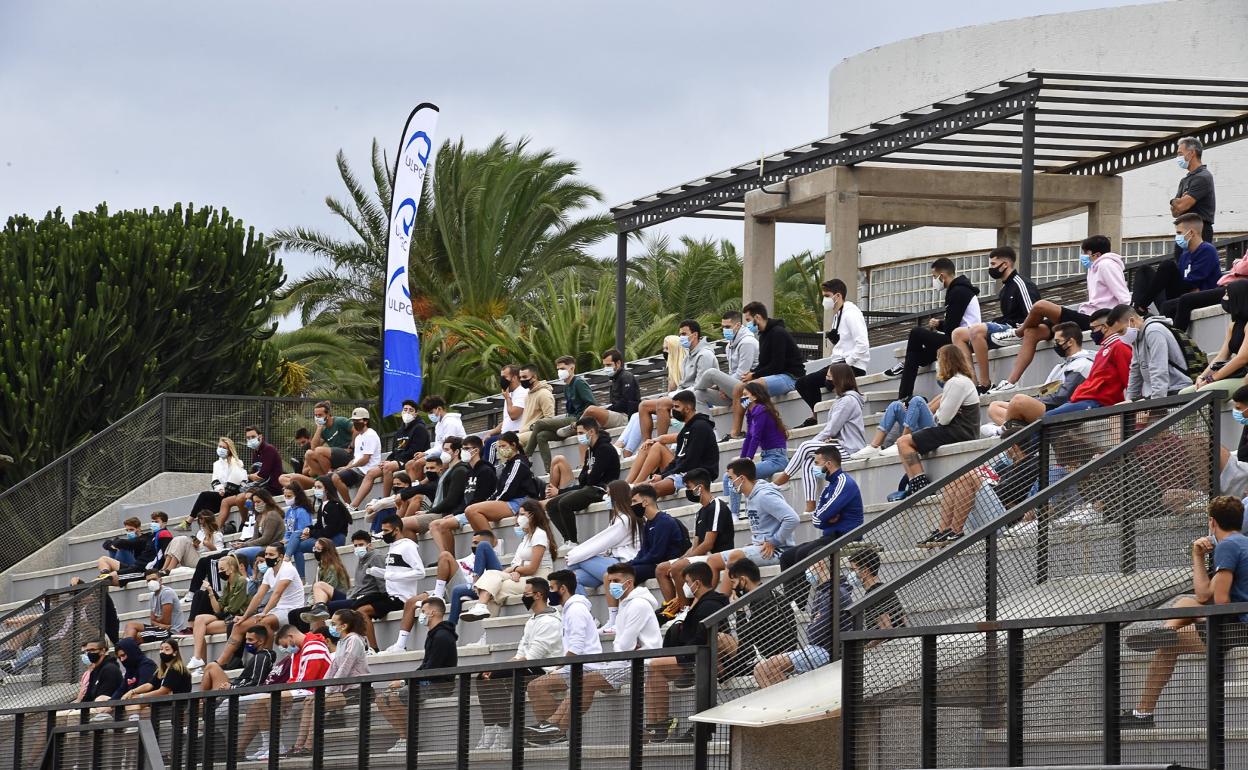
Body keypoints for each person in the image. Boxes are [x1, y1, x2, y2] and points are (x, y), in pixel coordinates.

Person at [1122, 495, 1246, 728]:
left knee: (1174, 633)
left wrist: (1201, 614)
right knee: (1185, 603)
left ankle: (1143, 714)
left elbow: (1220, 602)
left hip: (1239, 628)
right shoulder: (1241, 543)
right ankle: (1166, 631)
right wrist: (1197, 556)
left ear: (1212, 522)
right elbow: (1202, 596)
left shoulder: (1228, 546)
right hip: (1237, 622)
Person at [524, 566, 660, 745]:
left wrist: (561, 666)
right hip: (622, 661)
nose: (611, 586)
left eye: (616, 581)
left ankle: (553, 727)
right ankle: (552, 729)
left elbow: (622, 645)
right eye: (609, 581)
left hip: (635, 662)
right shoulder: (624, 604)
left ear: (629, 582)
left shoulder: (636, 604)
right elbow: (623, 644)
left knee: (581, 682)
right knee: (540, 685)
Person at [990, 236, 1129, 392]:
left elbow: (1124, 296)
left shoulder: (1106, 265)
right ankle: (1010, 382)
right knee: (1032, 332)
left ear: (1094, 254)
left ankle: (1017, 332)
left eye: (1085, 253)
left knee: (1041, 306)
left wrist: (1119, 320)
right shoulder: (1094, 268)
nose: (1083, 257)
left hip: (1094, 319)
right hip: (1085, 314)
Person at [644, 561, 739, 742]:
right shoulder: (699, 603)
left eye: (687, 582)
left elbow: (702, 637)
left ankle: (661, 724)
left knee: (655, 665)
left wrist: (681, 653)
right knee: (653, 668)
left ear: (697, 583)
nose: (685, 586)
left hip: (701, 657)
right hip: (692, 654)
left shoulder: (710, 604)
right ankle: (655, 724)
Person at [473, 576, 563, 750]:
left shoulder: (550, 621)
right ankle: (491, 727)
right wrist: (495, 668)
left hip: (544, 670)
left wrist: (500, 670)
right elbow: (520, 653)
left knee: (497, 676)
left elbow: (532, 657)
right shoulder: (532, 620)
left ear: (538, 595)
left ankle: (504, 729)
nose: (523, 597)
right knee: (482, 677)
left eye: (526, 593)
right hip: (527, 665)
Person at [893, 345, 982, 503]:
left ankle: (921, 485)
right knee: (902, 444)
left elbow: (943, 419)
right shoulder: (959, 381)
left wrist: (939, 414)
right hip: (957, 429)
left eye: (939, 360)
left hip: (958, 432)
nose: (937, 364)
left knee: (903, 442)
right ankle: (914, 482)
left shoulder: (957, 382)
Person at [774, 362, 867, 514]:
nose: (827, 379)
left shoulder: (848, 401)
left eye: (829, 376)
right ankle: (810, 505)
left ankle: (783, 479)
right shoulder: (841, 400)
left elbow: (831, 429)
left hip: (850, 448)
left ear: (838, 378)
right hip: (840, 445)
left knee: (805, 447)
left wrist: (814, 443)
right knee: (808, 460)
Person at [884, 258, 981, 401]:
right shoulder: (959, 289)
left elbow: (951, 329)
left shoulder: (959, 291)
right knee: (916, 356)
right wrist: (940, 324)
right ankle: (905, 394)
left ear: (942, 276)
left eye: (934, 277)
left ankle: (904, 394)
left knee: (916, 333)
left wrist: (939, 324)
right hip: (956, 337)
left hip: (961, 340)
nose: (934, 281)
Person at [235, 624, 332, 760]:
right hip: (303, 689)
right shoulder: (298, 651)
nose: (286, 649)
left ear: (290, 637)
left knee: (269, 698)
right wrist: (287, 694)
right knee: (256, 706)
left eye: (285, 645)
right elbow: (295, 680)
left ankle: (277, 747)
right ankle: (257, 748)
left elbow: (307, 680)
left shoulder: (313, 646)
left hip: (314, 690)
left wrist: (286, 695)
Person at [377, 598, 459, 755]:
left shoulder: (442, 636)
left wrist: (403, 682)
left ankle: (407, 739)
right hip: (427, 682)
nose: (421, 615)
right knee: (381, 699)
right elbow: (425, 666)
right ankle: (404, 737)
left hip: (439, 685)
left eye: (423, 611)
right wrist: (405, 680)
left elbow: (431, 669)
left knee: (395, 696)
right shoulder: (434, 634)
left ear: (433, 612)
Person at [984, 321, 1095, 434]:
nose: (1055, 346)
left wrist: (1034, 402)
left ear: (1070, 342)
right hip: (1047, 405)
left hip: (1059, 410)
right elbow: (1043, 391)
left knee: (1018, 401)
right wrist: (1036, 401)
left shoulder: (1083, 364)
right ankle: (1015, 427)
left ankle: (1002, 430)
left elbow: (1062, 398)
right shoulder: (1060, 366)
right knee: (995, 407)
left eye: (1057, 342)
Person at [953, 247, 1040, 391]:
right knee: (957, 334)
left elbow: (1033, 314)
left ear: (1005, 264)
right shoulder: (1004, 289)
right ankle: (972, 384)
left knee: (976, 330)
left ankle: (985, 384)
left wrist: (1020, 329)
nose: (991, 268)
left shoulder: (1022, 284)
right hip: (1004, 328)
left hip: (1017, 330)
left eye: (993, 264)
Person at [288, 609, 370, 757]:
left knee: (317, 703)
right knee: (309, 701)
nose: (330, 626)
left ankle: (309, 746)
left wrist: (326, 692)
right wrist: (320, 690)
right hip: (342, 691)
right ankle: (299, 745)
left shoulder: (354, 640)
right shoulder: (341, 643)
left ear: (344, 626)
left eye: (333, 623)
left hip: (357, 690)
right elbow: (332, 669)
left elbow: (345, 667)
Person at [212, 543, 306, 668]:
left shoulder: (288, 569)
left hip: (292, 609)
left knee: (263, 623)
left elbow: (277, 594)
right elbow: (258, 596)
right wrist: (244, 617)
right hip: (277, 610)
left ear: (281, 556)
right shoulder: (269, 572)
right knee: (238, 626)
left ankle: (265, 660)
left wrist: (264, 613)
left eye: (271, 554)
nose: (267, 557)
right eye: (266, 554)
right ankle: (222, 661)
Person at [656, 468, 734, 617]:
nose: (688, 491)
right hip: (703, 556)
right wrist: (681, 559)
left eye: (689, 487)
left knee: (677, 567)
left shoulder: (717, 505)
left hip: (718, 556)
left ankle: (685, 612)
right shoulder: (700, 512)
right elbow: (696, 544)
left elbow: (708, 544)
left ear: (700, 487)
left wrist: (681, 562)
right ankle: (674, 607)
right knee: (661, 569)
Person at [709, 460, 798, 589]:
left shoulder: (764, 495)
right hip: (762, 547)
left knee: (735, 557)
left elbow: (792, 518)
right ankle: (708, 604)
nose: (729, 483)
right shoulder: (750, 495)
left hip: (779, 550)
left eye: (731, 478)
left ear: (742, 478)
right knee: (712, 560)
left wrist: (774, 541)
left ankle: (720, 604)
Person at [462, 500, 556, 621]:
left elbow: (533, 568)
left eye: (522, 514)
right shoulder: (526, 537)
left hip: (539, 579)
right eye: (518, 515)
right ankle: (484, 615)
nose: (518, 518)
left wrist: (516, 570)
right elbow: (516, 563)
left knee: (495, 589)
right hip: (526, 576)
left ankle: (482, 608)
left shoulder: (540, 534)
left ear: (533, 515)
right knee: (492, 580)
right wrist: (515, 571)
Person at [794, 279, 870, 426]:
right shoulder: (838, 315)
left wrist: (844, 365)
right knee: (803, 383)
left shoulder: (851, 314)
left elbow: (863, 345)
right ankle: (816, 416)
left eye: (827, 296)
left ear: (838, 296)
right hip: (839, 363)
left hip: (852, 366)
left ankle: (819, 418)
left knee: (819, 383)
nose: (825, 300)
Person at [724, 302, 805, 440]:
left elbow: (777, 365)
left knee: (751, 390)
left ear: (758, 317)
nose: (747, 324)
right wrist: (750, 375)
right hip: (775, 376)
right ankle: (735, 432)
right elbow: (764, 365)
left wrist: (754, 375)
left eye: (749, 320)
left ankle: (757, 429)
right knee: (739, 388)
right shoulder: (763, 335)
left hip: (791, 377)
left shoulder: (778, 333)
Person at [780, 444, 864, 570]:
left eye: (817, 463)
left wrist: (825, 518)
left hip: (845, 537)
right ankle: (792, 591)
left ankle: (802, 590)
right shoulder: (828, 487)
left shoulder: (844, 482)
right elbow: (816, 519)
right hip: (829, 536)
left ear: (828, 464)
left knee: (802, 554)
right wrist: (826, 518)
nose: (814, 467)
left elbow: (821, 516)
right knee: (786, 556)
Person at [638, 320, 719, 441]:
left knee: (662, 403)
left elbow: (701, 385)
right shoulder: (688, 357)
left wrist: (674, 394)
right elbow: (682, 385)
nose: (681, 337)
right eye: (680, 334)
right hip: (686, 395)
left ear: (695, 335)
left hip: (701, 396)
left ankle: (660, 442)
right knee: (643, 405)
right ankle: (647, 443)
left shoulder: (705, 355)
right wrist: (675, 393)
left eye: (684, 334)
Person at [545, 417, 622, 544]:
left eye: (581, 433)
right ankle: (567, 539)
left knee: (564, 503)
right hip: (589, 488)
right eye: (577, 433)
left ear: (591, 432)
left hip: (602, 489)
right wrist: (588, 475)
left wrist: (588, 475)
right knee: (551, 505)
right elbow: (582, 479)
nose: (578, 436)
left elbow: (592, 480)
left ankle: (573, 542)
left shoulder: (605, 449)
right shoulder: (589, 451)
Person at [354, 515, 424, 652]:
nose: (383, 534)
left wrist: (390, 575)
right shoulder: (393, 546)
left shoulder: (407, 546)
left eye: (386, 531)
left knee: (362, 611)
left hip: (401, 597)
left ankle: (373, 648)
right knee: (355, 605)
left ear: (396, 530)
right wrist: (378, 572)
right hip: (389, 594)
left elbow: (421, 572)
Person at [630, 390, 719, 498]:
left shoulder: (700, 427)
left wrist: (663, 477)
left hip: (699, 475)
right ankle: (631, 484)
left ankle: (634, 488)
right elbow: (677, 460)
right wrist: (662, 476)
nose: (673, 411)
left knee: (648, 490)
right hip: (684, 471)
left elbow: (690, 462)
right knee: (654, 447)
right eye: (672, 407)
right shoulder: (686, 429)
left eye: (676, 407)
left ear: (687, 408)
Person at [1045, 308, 1133, 416]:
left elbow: (1129, 378)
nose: (1092, 332)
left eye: (1093, 328)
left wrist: (1132, 405)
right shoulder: (1102, 351)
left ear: (1104, 327)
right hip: (1083, 400)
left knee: (1047, 418)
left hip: (1097, 403)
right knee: (1043, 418)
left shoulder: (1119, 346)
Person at [1133, 212, 1223, 316]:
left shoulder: (1207, 250)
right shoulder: (1185, 254)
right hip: (1180, 297)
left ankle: (1141, 307)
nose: (1177, 237)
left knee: (1167, 266)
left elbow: (1193, 286)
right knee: (1144, 270)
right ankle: (1137, 307)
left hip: (1199, 299)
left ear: (1191, 233)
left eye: (1179, 233)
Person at [297, 530, 386, 631]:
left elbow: (383, 582)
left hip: (361, 599)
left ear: (369, 545)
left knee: (318, 610)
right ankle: (320, 608)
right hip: (353, 596)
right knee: (319, 587)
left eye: (361, 545)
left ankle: (319, 639)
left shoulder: (376, 557)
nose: (358, 548)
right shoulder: (362, 559)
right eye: (355, 546)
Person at [725, 381, 789, 521]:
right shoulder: (751, 412)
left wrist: (748, 459)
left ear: (754, 397)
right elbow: (748, 437)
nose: (742, 398)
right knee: (727, 476)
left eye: (745, 395)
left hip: (776, 458)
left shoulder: (761, 410)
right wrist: (742, 459)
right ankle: (732, 509)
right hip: (767, 457)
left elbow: (756, 436)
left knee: (736, 476)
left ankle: (734, 514)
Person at [565, 480, 642, 594]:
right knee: (572, 580)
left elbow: (601, 542)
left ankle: (560, 576)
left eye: (609, 494)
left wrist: (573, 555)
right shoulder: (618, 518)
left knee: (577, 559)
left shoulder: (626, 519)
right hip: (611, 562)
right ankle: (580, 611)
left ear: (617, 496)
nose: (606, 497)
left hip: (625, 565)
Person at [616, 336, 687, 457]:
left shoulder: (683, 365)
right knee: (635, 416)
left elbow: (679, 393)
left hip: (678, 408)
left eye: (667, 348)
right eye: (663, 348)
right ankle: (622, 448)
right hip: (670, 407)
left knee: (643, 408)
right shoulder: (671, 368)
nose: (664, 351)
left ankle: (644, 446)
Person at [430, 434, 500, 554]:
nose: (463, 451)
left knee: (443, 525)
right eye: (462, 448)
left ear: (476, 450)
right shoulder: (469, 472)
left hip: (477, 510)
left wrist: (456, 514)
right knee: (434, 524)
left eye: (466, 448)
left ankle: (451, 558)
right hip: (466, 510)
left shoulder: (485, 471)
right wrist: (455, 513)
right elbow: (465, 499)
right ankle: (446, 558)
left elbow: (480, 498)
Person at [456, 433, 531, 545]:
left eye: (503, 446)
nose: (501, 449)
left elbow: (508, 490)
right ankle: (484, 543)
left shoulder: (518, 462)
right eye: (499, 447)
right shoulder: (508, 464)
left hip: (518, 502)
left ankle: (493, 543)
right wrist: (489, 502)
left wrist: (493, 502)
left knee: (472, 510)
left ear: (514, 445)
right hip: (508, 501)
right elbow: (499, 489)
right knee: (470, 511)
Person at [524, 356, 597, 472]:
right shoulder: (566, 387)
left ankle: (525, 456)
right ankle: (549, 470)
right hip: (570, 422)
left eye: (562, 368)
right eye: (558, 369)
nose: (559, 372)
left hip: (577, 421)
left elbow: (592, 405)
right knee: (541, 436)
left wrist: (580, 421)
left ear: (572, 368)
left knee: (539, 423)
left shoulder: (579, 383)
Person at [1109, 305, 1194, 400]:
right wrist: (1129, 402)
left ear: (1132, 321)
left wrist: (1155, 405)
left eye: (1121, 331)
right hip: (1161, 393)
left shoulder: (1153, 331)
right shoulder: (1137, 336)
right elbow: (1135, 371)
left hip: (1177, 391)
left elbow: (1159, 369)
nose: (1121, 336)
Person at [624, 484, 689, 606]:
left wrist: (631, 565)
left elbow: (656, 555)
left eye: (634, 501)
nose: (632, 505)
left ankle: (670, 607)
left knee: (624, 576)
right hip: (655, 563)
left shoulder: (664, 522)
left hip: (665, 564)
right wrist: (629, 563)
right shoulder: (648, 523)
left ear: (645, 502)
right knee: (619, 572)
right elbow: (644, 551)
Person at [1182, 281, 1248, 396]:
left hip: (1244, 375)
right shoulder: (1233, 324)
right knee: (1185, 393)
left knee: (1203, 392)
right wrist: (1202, 376)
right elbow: (1221, 357)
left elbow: (1241, 359)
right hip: (1235, 374)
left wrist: (1211, 379)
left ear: (1238, 297)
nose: (1224, 298)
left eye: (1227, 294)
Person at [186, 554, 249, 669]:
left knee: (199, 629)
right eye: (219, 569)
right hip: (227, 617)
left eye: (222, 569)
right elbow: (218, 608)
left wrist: (221, 611)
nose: (219, 572)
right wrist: (210, 592)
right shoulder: (227, 584)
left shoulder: (241, 581)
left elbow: (233, 608)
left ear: (231, 568)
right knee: (199, 619)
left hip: (237, 618)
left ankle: (200, 663)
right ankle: (197, 658)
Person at [217, 426, 283, 529]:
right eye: (248, 438)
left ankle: (246, 523)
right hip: (258, 487)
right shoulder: (255, 452)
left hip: (270, 488)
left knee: (241, 498)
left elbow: (262, 475)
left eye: (253, 437)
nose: (250, 440)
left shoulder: (269, 449)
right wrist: (250, 477)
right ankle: (217, 531)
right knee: (226, 501)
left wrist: (249, 476)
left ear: (260, 437)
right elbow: (254, 475)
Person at [401, 436, 468, 538]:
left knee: (403, 523)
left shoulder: (460, 470)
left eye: (446, 450)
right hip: (438, 511)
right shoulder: (449, 470)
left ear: (456, 452)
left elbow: (451, 500)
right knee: (402, 523)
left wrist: (429, 512)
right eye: (443, 450)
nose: (443, 453)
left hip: (445, 513)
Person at [694, 310, 759, 411]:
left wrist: (722, 387)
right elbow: (731, 373)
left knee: (711, 373)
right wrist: (723, 387)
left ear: (737, 325)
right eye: (723, 327)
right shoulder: (729, 346)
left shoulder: (747, 342)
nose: (724, 330)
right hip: (734, 391)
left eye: (727, 327)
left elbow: (743, 374)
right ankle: (706, 425)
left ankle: (691, 390)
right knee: (698, 394)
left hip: (749, 389)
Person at [121, 639, 192, 721]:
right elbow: (149, 685)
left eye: (167, 649)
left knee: (140, 705)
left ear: (175, 653)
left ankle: (135, 725)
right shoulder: (162, 670)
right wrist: (132, 692)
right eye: (161, 649)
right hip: (165, 702)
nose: (163, 652)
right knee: (132, 701)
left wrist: (141, 696)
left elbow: (163, 691)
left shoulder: (176, 669)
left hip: (176, 705)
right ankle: (134, 725)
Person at [291, 476, 351, 572]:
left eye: (319, 487)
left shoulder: (334, 506)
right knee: (297, 535)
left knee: (296, 547)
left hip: (334, 539)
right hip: (325, 538)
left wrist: (311, 533)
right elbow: (319, 525)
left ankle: (301, 577)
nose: (315, 490)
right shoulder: (323, 505)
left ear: (326, 489)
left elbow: (330, 531)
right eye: (315, 487)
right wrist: (308, 529)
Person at [97, 512, 172, 586]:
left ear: (138, 529)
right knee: (103, 559)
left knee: (106, 579)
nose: (153, 524)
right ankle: (105, 574)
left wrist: (163, 570)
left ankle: (105, 578)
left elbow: (166, 554)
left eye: (156, 522)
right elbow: (109, 543)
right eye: (152, 521)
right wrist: (113, 545)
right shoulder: (153, 536)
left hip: (142, 569)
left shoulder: (149, 537)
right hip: (134, 566)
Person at [290, 401, 355, 487]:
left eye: (320, 415)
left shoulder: (340, 421)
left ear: (328, 414)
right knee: (308, 454)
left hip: (348, 454)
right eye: (316, 415)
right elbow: (313, 447)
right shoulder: (324, 430)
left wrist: (352, 445)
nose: (317, 417)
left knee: (319, 451)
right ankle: (325, 480)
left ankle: (328, 477)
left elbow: (356, 429)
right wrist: (319, 427)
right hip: (336, 457)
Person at [378, 399, 431, 498]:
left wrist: (393, 462)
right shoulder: (399, 431)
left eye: (410, 410)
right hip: (398, 460)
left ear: (416, 413)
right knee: (371, 472)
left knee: (387, 468)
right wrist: (387, 460)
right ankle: (353, 505)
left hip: (409, 459)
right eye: (405, 409)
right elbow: (395, 450)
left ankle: (385, 498)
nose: (407, 412)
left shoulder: (419, 428)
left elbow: (414, 451)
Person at [200, 624, 276, 692]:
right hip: (235, 689)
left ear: (260, 641)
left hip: (236, 696)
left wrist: (232, 687)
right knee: (212, 666)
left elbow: (256, 684)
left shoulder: (262, 657)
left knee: (211, 666)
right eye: (246, 639)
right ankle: (202, 704)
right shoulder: (258, 656)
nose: (246, 642)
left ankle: (200, 704)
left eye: (250, 640)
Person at [331, 407, 382, 504]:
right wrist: (346, 467)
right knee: (328, 478)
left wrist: (348, 467)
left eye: (358, 420)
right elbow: (356, 458)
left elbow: (365, 460)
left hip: (366, 469)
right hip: (357, 468)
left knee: (336, 477)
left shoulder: (370, 434)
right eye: (354, 420)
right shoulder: (358, 437)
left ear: (366, 421)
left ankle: (350, 505)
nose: (355, 423)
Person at [189, 437, 247, 519]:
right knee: (205, 507)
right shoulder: (216, 464)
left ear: (229, 450)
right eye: (220, 446)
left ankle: (189, 520)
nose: (221, 449)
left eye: (224, 448)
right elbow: (215, 480)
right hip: (221, 493)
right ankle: (207, 527)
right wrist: (220, 489)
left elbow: (237, 480)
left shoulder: (237, 462)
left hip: (233, 492)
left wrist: (224, 490)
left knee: (204, 495)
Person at [230, 489, 285, 575]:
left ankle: (247, 577)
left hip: (270, 547)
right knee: (231, 552)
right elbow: (255, 538)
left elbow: (266, 539)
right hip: (262, 546)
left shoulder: (272, 515)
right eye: (254, 502)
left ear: (266, 501)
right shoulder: (259, 517)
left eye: (258, 502)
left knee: (239, 553)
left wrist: (245, 545)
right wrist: (241, 544)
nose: (256, 504)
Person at [582, 349, 640, 431]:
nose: (606, 368)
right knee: (588, 423)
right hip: (618, 414)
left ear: (618, 363)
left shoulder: (626, 376)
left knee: (591, 410)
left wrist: (608, 410)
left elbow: (626, 402)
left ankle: (576, 426)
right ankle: (576, 426)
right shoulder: (615, 379)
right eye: (604, 365)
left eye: (609, 365)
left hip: (626, 417)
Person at [122, 569, 185, 643]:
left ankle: (125, 650)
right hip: (161, 629)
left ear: (160, 581)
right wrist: (159, 623)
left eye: (154, 579)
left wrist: (157, 621)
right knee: (129, 626)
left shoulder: (167, 593)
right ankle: (125, 649)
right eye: (149, 581)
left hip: (171, 631)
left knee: (135, 635)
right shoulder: (152, 595)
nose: (151, 582)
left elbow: (166, 621)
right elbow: (152, 621)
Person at [484, 365, 528, 462]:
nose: (502, 380)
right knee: (478, 444)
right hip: (505, 434)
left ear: (515, 377)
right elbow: (507, 420)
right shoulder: (509, 394)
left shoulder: (522, 392)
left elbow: (513, 415)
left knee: (491, 444)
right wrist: (490, 432)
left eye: (505, 377)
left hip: (516, 433)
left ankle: (488, 471)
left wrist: (507, 398)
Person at [516, 364, 556, 449]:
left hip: (534, 432)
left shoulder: (544, 394)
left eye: (524, 377)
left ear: (534, 377)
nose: (522, 380)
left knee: (509, 442)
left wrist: (533, 427)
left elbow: (549, 418)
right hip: (523, 432)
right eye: (520, 377)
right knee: (501, 442)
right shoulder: (527, 395)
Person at [77, 638, 124, 704]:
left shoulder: (110, 669)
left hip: (108, 709)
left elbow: (104, 697)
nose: (89, 653)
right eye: (88, 651)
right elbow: (88, 696)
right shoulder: (95, 671)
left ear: (102, 651)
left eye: (93, 650)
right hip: (93, 707)